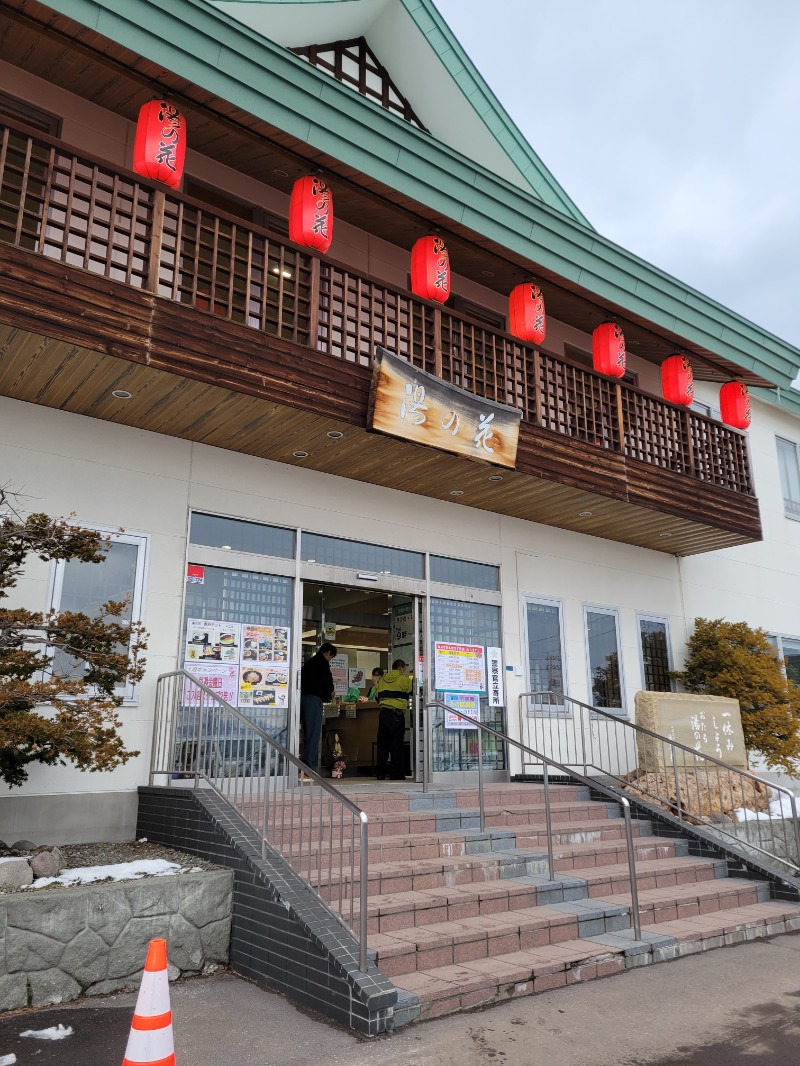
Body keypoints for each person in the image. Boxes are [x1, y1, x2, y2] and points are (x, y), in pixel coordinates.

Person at [299, 642, 336, 773]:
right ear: (327, 653)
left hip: (302, 699)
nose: (330, 660)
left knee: (306, 732)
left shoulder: (308, 663)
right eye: (331, 657)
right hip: (314, 700)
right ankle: (308, 765)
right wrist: (331, 692)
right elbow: (327, 681)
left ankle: (303, 762)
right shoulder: (322, 663)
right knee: (314, 732)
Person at [375, 659, 413, 780]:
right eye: (404, 669)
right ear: (401, 668)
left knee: (382, 745)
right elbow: (414, 692)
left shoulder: (382, 680)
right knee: (396, 745)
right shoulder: (404, 680)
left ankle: (380, 773)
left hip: (383, 715)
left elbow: (377, 697)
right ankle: (396, 774)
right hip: (397, 715)